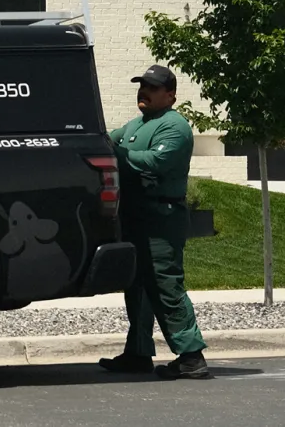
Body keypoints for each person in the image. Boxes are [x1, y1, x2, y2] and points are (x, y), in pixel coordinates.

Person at [97, 64, 210, 380]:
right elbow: (107, 142)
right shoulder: (137, 124)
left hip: (162, 217)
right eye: (141, 85)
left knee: (165, 284)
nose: (143, 91)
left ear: (171, 94)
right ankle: (138, 353)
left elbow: (155, 162)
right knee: (137, 286)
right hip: (136, 217)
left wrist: (117, 153)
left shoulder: (174, 127)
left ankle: (191, 356)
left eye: (152, 86)